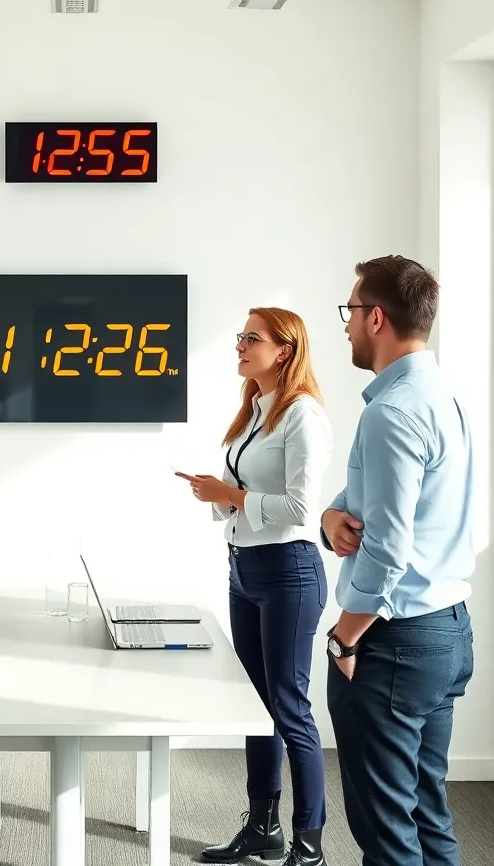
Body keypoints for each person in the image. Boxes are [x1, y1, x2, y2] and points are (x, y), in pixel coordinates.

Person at [323, 256, 475, 866]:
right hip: (446, 628)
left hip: (393, 642)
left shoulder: (390, 411)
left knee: (388, 834)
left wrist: (344, 635)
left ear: (376, 317)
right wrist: (330, 516)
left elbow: (388, 546)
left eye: (351, 312)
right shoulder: (440, 396)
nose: (347, 327)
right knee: (425, 814)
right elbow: (378, 505)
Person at [176, 307, 333, 866]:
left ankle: (308, 843)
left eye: (252, 338)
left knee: (290, 708)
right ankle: (261, 830)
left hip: (289, 571)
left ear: (284, 350)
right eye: (240, 336)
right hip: (244, 568)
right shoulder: (254, 412)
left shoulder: (303, 415)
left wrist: (232, 495)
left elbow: (301, 507)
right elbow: (244, 495)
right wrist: (218, 495)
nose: (240, 345)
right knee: (256, 706)